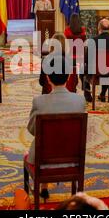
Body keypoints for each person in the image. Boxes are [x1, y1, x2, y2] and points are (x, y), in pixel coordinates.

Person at [27, 55, 86, 200]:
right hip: (73, 161)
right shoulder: (80, 100)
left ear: (47, 78)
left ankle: (43, 188)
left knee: (46, 144)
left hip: (42, 163)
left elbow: (32, 130)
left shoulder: (39, 102)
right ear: (68, 77)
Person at [85, 19, 109, 102]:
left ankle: (88, 95)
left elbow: (87, 60)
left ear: (99, 28)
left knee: (82, 69)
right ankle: (103, 94)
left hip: (95, 73)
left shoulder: (92, 41)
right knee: (107, 65)